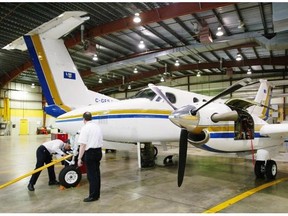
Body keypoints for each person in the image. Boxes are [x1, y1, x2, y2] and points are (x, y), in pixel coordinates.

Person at [77, 111, 103, 202]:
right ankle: (97, 194)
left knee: (91, 176)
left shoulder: (85, 128)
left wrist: (79, 158)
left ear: (83, 119)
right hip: (98, 151)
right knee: (96, 174)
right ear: (91, 118)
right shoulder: (97, 127)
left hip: (90, 153)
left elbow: (83, 145)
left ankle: (93, 196)